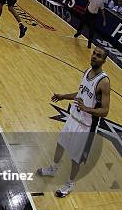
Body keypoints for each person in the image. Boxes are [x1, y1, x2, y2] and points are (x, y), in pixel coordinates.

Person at [37, 47, 110, 197]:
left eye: (99, 55)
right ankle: (53, 168)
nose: (95, 56)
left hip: (86, 126)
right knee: (60, 144)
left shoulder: (104, 82)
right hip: (73, 118)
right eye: (94, 53)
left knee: (75, 158)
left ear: (104, 60)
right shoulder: (86, 71)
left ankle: (70, 184)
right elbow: (81, 93)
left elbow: (105, 111)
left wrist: (86, 109)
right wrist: (64, 96)